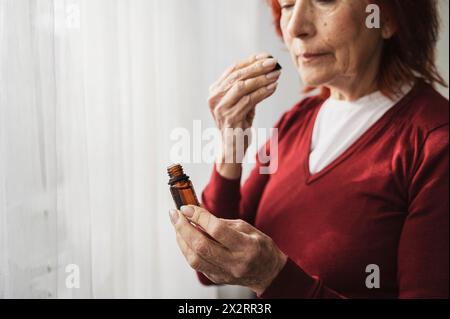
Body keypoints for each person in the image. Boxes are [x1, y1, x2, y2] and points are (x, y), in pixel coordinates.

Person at [169, 0, 449, 298]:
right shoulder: (296, 121)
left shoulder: (435, 143)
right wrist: (230, 144)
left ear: (388, 18)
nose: (295, 27)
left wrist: (273, 276)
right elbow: (212, 267)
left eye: (325, 1)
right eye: (288, 5)